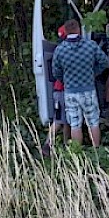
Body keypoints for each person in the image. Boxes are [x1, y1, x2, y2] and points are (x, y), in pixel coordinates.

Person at [52, 19, 109, 147]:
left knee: (75, 124)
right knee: (93, 122)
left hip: (71, 92)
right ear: (79, 30)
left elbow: (56, 72)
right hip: (88, 90)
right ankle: (96, 150)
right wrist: (93, 73)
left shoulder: (60, 50)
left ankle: (78, 154)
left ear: (65, 31)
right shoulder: (91, 45)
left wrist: (65, 80)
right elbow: (105, 62)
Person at [41, 25, 71, 157]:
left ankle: (66, 144)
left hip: (59, 91)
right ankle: (47, 145)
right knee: (59, 120)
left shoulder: (59, 50)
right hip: (63, 91)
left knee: (66, 120)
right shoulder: (67, 50)